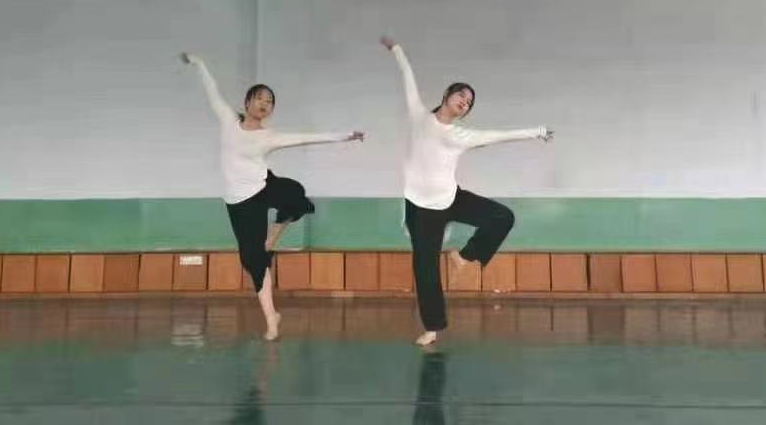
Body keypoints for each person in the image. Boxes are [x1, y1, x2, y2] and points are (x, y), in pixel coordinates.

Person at [381, 38, 553, 346]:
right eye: (462, 95)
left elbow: (499, 136)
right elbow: (407, 75)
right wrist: (396, 49)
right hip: (420, 207)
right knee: (425, 269)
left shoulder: (461, 135)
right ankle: (432, 328)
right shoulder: (419, 115)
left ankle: (465, 255)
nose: (465, 102)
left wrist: (537, 132)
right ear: (447, 95)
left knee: (503, 217)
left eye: (470, 102)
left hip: (451, 198)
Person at [182, 52, 363, 340]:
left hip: (263, 185)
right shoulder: (228, 120)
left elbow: (307, 138)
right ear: (247, 102)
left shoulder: (270, 137)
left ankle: (274, 235)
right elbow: (212, 91)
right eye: (260, 98)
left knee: (296, 196)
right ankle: (272, 317)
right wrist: (199, 63)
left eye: (269, 101)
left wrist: (346, 135)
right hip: (239, 202)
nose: (264, 104)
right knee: (253, 260)